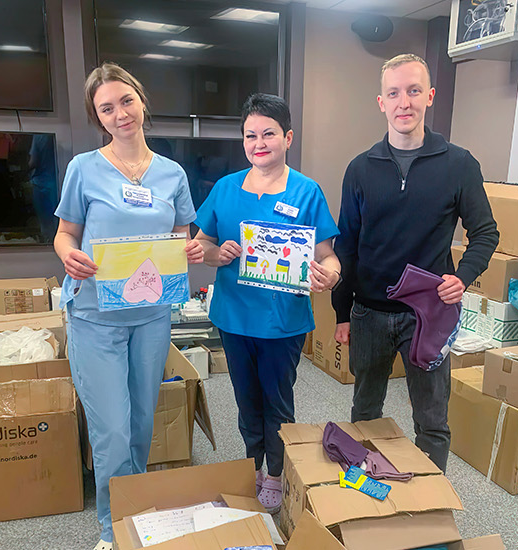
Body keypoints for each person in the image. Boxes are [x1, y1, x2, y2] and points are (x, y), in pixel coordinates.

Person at [54, 62, 197, 550]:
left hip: (151, 315)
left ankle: (135, 509)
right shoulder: (83, 169)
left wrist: (190, 248)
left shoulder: (171, 173)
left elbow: (180, 234)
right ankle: (112, 527)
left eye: (126, 101)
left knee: (140, 422)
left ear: (141, 100)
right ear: (99, 118)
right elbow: (65, 233)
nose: (120, 114)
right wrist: (67, 255)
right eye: (107, 108)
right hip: (95, 315)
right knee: (111, 427)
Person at [332, 53, 499, 469]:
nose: (404, 102)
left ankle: (432, 512)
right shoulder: (360, 169)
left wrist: (462, 277)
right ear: (381, 102)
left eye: (412, 91)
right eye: (394, 93)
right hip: (369, 312)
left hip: (428, 314)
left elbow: (485, 233)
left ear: (430, 96)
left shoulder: (459, 164)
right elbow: (348, 245)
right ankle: (364, 495)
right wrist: (342, 312)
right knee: (365, 414)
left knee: (431, 420)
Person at [184, 93, 341, 512]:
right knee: (245, 400)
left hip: (282, 322)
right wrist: (218, 254)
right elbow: (203, 246)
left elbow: (327, 253)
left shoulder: (307, 192)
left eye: (268, 133)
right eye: (250, 135)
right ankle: (253, 465)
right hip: (234, 317)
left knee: (277, 401)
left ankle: (276, 471)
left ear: (287, 137)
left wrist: (332, 273)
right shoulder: (225, 188)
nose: (259, 142)